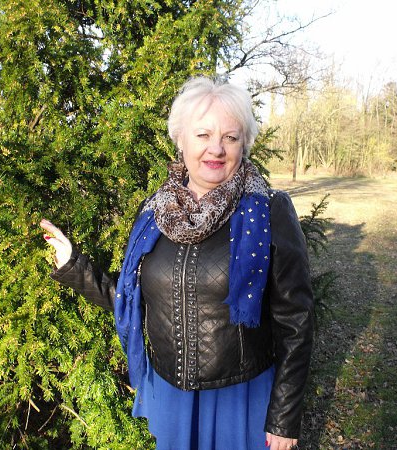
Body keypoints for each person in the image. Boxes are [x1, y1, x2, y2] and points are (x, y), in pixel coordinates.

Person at [40, 76, 314, 450]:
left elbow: (296, 320)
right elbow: (134, 297)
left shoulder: (268, 210)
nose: (216, 148)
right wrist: (74, 266)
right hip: (171, 395)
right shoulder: (154, 212)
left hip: (239, 399)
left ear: (244, 144)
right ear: (180, 140)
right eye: (203, 135)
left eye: (230, 137)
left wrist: (284, 418)